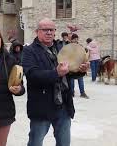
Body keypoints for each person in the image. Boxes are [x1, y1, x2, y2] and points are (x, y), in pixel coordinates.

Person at [22, 18, 89, 146]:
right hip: (41, 106)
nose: (48, 32)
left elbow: (71, 72)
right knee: (35, 142)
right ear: (37, 32)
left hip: (63, 104)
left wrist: (81, 70)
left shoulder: (61, 47)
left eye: (51, 30)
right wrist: (56, 73)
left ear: (55, 31)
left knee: (64, 143)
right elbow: (32, 75)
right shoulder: (29, 51)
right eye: (45, 30)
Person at [70, 34, 89, 99]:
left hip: (79, 65)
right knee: (71, 80)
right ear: (72, 40)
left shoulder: (80, 46)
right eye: (74, 39)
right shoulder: (69, 46)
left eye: (76, 39)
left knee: (80, 79)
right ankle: (71, 93)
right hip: (72, 66)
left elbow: (84, 55)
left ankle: (82, 92)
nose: (75, 40)